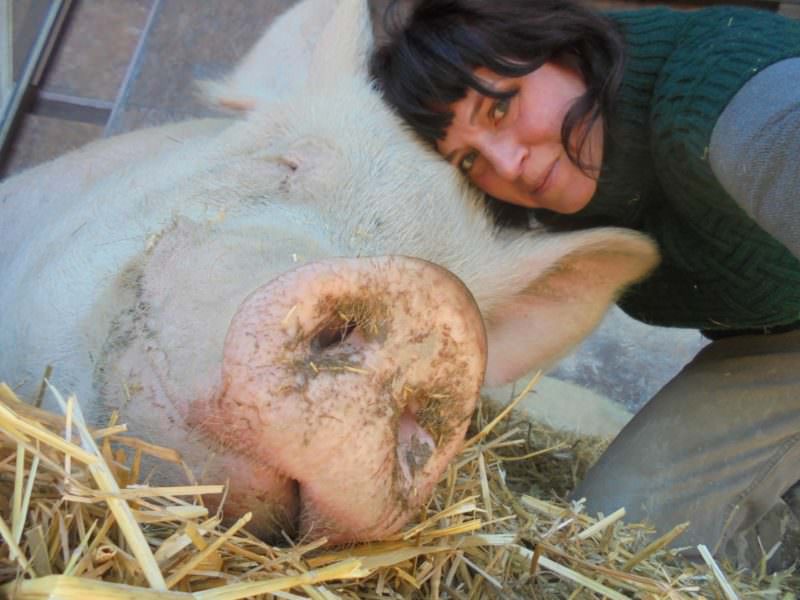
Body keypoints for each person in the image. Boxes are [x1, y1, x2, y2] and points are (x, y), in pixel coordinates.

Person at [370, 0, 800, 569]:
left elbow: (781, 135)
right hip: (771, 343)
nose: (508, 165)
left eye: (500, 107)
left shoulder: (712, 79)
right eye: (470, 160)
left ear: (564, 47)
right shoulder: (553, 200)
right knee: (612, 537)